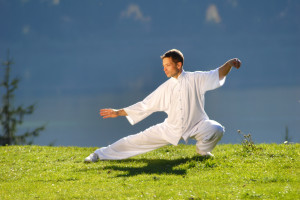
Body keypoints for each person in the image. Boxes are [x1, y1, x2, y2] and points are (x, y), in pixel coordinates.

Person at [84, 49, 241, 162]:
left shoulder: (196, 78)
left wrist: (229, 64)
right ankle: (99, 154)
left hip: (197, 124)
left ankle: (202, 153)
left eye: (167, 65)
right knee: (134, 141)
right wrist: (118, 112)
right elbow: (145, 105)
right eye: (163, 65)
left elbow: (217, 73)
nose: (164, 68)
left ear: (178, 65)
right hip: (170, 128)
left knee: (216, 129)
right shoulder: (166, 87)